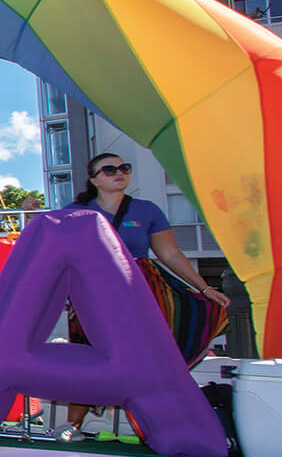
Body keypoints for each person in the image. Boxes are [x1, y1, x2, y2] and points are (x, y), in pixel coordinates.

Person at [58, 152, 230, 442]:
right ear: (94, 179)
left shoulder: (146, 210)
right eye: (109, 169)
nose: (119, 172)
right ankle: (72, 426)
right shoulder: (75, 211)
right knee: (88, 354)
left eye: (124, 168)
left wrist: (205, 288)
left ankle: (164, 427)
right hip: (93, 292)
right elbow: (60, 255)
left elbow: (170, 254)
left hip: (141, 290)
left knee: (152, 355)